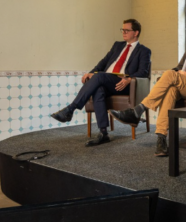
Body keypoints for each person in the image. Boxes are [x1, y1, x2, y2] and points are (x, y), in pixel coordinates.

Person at [110, 15, 186, 157]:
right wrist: (171, 76)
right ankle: (161, 139)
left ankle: (139, 110)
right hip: (184, 84)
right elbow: (179, 67)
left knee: (170, 75)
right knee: (170, 89)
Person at [50, 19, 151, 147]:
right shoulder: (117, 46)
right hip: (106, 80)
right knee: (99, 89)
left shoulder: (143, 51)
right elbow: (103, 62)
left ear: (136, 33)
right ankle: (103, 133)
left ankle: (71, 108)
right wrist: (91, 73)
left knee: (99, 76)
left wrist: (129, 79)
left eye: (127, 30)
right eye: (122, 30)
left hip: (125, 84)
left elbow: (143, 72)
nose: (123, 32)